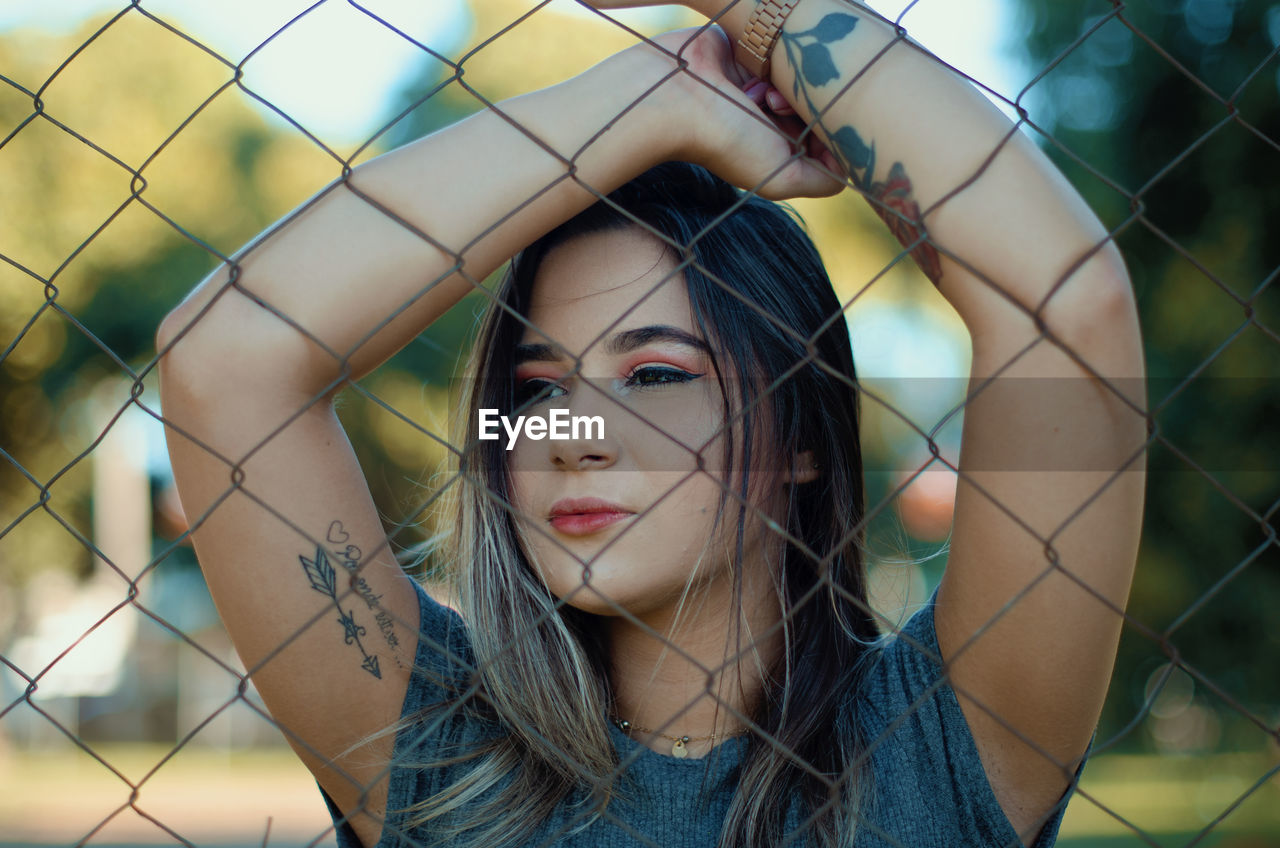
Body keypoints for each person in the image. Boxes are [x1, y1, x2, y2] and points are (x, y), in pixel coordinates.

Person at [156, 0, 1148, 846]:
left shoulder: (933, 756)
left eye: (656, 372)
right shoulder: (442, 763)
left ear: (800, 435)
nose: (574, 435)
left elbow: (1061, 303)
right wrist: (652, 96)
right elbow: (223, 359)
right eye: (538, 388)